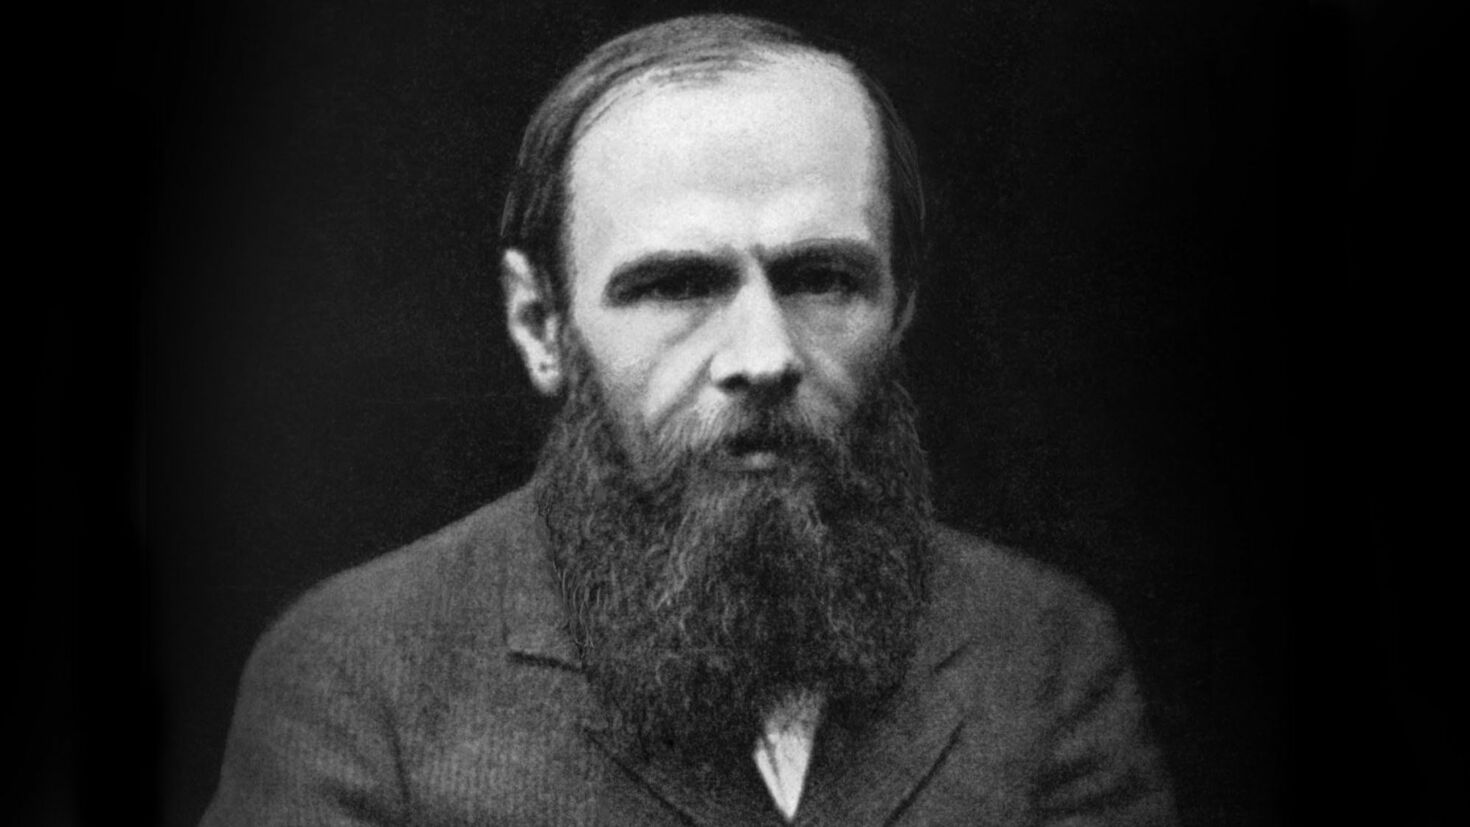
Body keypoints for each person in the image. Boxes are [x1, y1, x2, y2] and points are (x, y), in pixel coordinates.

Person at [203, 14, 1176, 826]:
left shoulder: (1043, 652)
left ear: (902, 302)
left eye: (822, 278)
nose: (764, 354)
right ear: (540, 324)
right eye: (675, 285)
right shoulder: (359, 672)